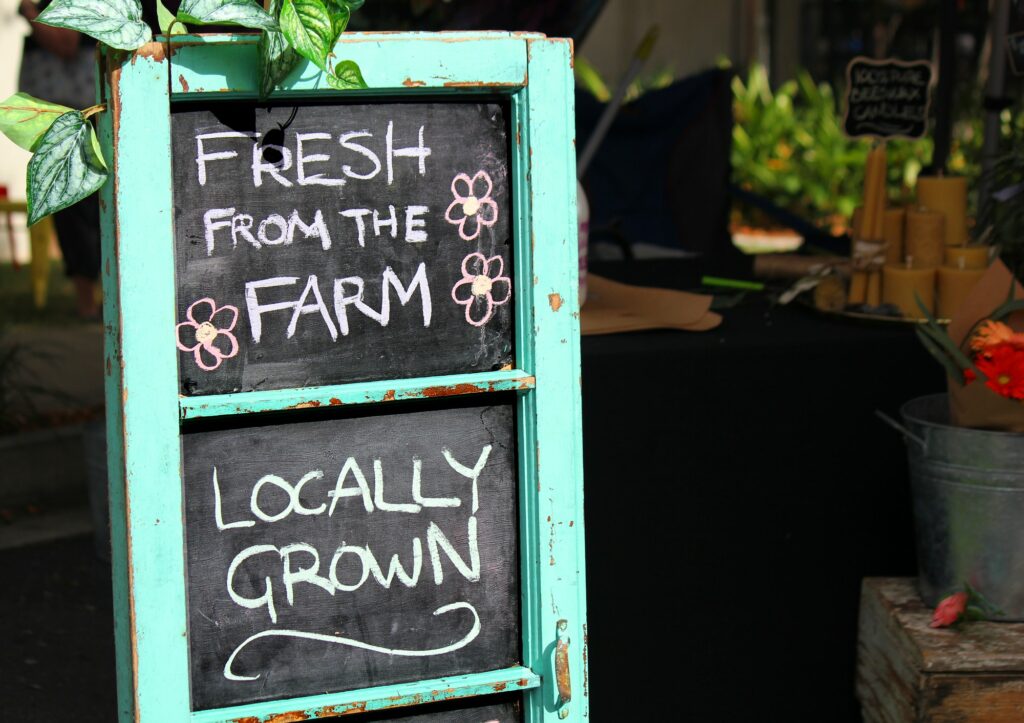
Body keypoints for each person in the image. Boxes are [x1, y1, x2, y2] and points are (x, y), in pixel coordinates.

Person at [18, 0, 102, 320]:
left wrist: (30, 14)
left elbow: (65, 45)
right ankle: (89, 300)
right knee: (71, 213)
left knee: (82, 211)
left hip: (78, 116)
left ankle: (92, 301)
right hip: (61, 116)